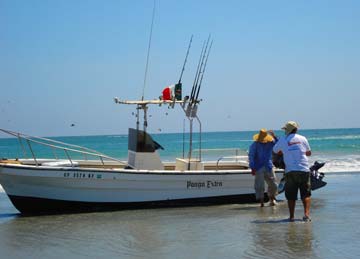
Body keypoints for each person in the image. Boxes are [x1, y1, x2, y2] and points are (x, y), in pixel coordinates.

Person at [273, 121, 312, 222]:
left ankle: (291, 217)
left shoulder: (283, 139)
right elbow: (308, 153)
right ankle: (306, 215)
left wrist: (285, 151)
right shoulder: (303, 138)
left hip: (290, 170)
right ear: (296, 129)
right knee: (306, 194)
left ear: (288, 130)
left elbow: (275, 150)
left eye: (285, 129)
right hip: (304, 169)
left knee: (291, 195)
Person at [248, 129, 278, 207]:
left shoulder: (270, 143)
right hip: (258, 167)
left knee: (274, 184)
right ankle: (261, 203)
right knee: (259, 185)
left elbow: (278, 143)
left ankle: (272, 199)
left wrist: (273, 135)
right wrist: (252, 167)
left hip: (268, 165)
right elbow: (251, 156)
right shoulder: (254, 145)